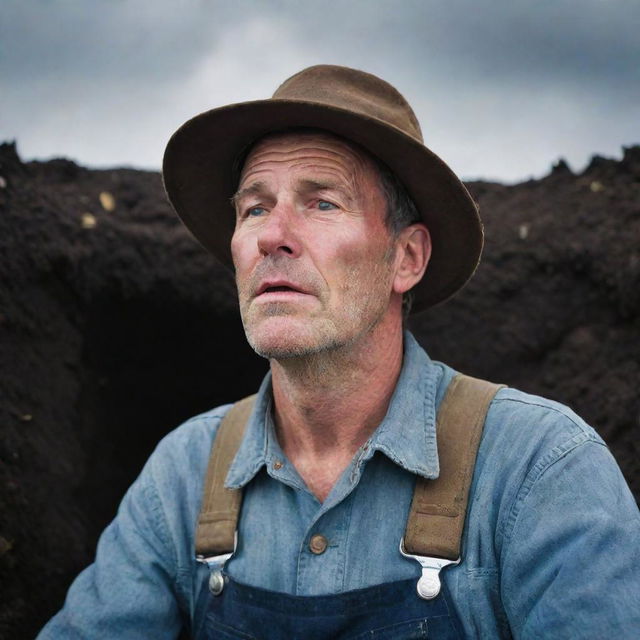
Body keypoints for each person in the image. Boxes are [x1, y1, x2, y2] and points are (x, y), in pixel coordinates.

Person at [39, 65, 639, 639]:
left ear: (407, 258)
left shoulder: (540, 469)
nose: (272, 235)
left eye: (322, 202)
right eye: (254, 208)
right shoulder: (184, 475)